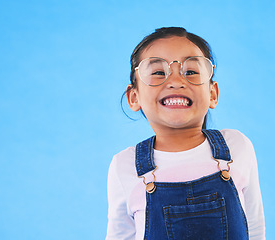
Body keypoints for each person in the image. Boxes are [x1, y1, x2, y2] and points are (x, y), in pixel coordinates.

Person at [105, 27, 265, 240]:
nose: (176, 81)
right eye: (158, 72)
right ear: (134, 97)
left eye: (190, 71)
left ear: (212, 94)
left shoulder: (237, 147)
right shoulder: (125, 165)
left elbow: (255, 228)